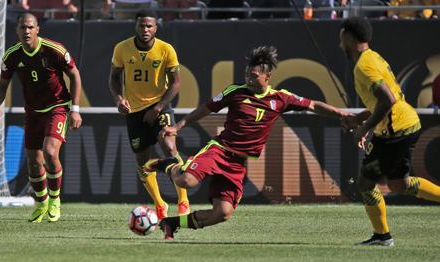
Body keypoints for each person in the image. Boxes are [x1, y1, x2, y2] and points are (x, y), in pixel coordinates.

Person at [143, 45, 351, 240]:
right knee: (185, 182)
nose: (249, 80)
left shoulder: (280, 98)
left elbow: (314, 105)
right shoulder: (235, 92)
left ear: (268, 77)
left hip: (237, 163)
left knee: (222, 214)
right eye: (246, 76)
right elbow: (205, 109)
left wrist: (343, 114)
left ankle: (171, 223)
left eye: (254, 76)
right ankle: (168, 165)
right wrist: (177, 127)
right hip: (220, 150)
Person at [339, 16, 440, 246]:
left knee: (365, 183)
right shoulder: (373, 57)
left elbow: (387, 100)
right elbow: (383, 102)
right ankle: (382, 236)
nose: (340, 44)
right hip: (407, 123)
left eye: (341, 39)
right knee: (398, 185)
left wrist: (363, 127)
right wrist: (357, 118)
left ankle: (383, 237)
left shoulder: (363, 66)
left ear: (350, 39)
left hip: (396, 130)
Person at [0, 12, 82, 222]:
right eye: (22, 28)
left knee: (50, 153)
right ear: (17, 30)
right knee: (34, 162)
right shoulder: (12, 55)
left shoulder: (54, 50)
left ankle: (55, 201)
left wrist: (75, 109)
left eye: (30, 27)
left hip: (57, 107)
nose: (26, 31)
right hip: (32, 111)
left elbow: (74, 75)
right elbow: (2, 85)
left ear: (37, 29)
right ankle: (41, 204)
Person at [109, 9, 189, 220]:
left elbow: (176, 83)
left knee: (170, 148)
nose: (145, 29)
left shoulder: (165, 49)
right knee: (142, 159)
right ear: (135, 27)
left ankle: (183, 200)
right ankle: (159, 204)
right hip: (134, 111)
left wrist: (158, 107)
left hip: (160, 107)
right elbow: (114, 78)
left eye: (149, 26)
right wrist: (119, 99)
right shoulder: (122, 48)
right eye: (141, 25)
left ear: (155, 28)